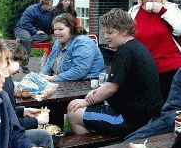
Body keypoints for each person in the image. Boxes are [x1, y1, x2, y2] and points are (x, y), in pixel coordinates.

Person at [66, 8, 162, 137]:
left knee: (73, 114)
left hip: (130, 120)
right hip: (147, 117)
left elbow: (110, 88)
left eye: (110, 33)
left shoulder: (125, 51)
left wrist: (85, 102)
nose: (106, 37)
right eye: (105, 32)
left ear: (123, 31)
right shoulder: (137, 47)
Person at [128, 0, 181, 103]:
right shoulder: (134, 11)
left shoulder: (170, 8)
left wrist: (162, 11)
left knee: (172, 104)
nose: (149, 0)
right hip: (147, 68)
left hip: (172, 66)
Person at [2, 40, 54, 148]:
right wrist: (36, 121)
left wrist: (24, 111)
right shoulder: (3, 82)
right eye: (19, 64)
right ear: (9, 59)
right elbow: (9, 124)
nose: (19, 69)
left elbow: (7, 111)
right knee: (44, 136)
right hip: (4, 139)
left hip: (3, 133)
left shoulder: (7, 80)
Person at [40, 13, 105, 82]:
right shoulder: (57, 42)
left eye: (61, 29)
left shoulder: (82, 43)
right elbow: (49, 64)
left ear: (71, 28)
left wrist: (52, 78)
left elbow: (79, 71)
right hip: (66, 82)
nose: (57, 33)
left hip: (88, 83)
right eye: (55, 29)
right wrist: (40, 76)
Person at [15, 0, 54, 73]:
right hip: (23, 28)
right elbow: (24, 23)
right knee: (27, 39)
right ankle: (24, 65)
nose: (52, 6)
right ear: (44, 5)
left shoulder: (49, 11)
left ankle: (21, 39)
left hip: (37, 32)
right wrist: (35, 31)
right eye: (50, 5)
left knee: (46, 37)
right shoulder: (31, 9)